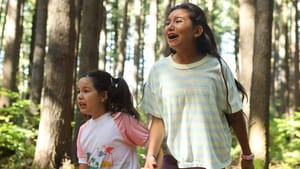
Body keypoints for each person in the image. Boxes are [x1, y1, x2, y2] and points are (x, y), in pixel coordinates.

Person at [141, 2, 254, 169]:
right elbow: (158, 120)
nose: (170, 27)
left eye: (178, 21)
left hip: (213, 162)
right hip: (173, 161)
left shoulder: (217, 67)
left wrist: (247, 156)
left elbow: (235, 115)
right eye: (167, 23)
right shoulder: (159, 71)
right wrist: (151, 154)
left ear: (197, 31)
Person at [76, 70, 149, 169]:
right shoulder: (83, 130)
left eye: (86, 91)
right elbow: (83, 165)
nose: (80, 96)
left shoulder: (122, 120)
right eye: (78, 91)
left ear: (103, 96)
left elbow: (154, 144)